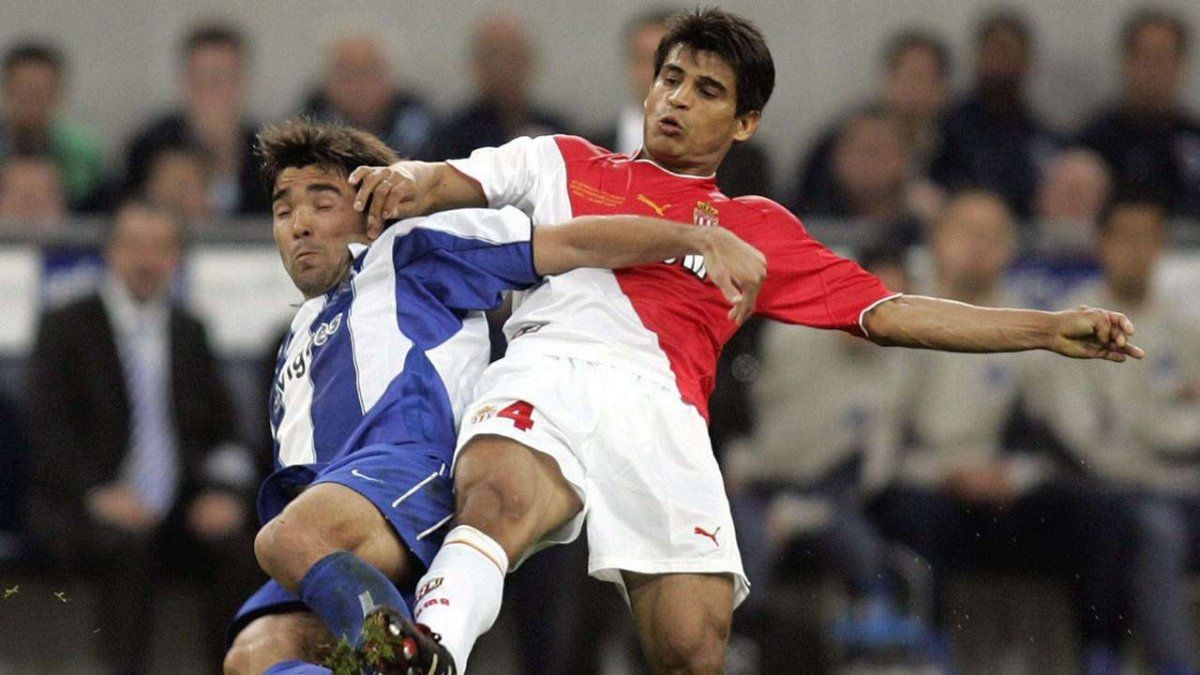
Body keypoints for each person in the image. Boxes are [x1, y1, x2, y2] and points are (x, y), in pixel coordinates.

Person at [349, 9, 1142, 674]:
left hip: (663, 414)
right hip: (551, 366)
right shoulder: (558, 159)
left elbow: (892, 312)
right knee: (499, 499)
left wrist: (1043, 329)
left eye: (706, 91)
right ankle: (426, 648)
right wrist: (403, 177)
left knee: (694, 644)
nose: (676, 101)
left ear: (747, 120)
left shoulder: (759, 228)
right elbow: (448, 180)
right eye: (669, 79)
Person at [220, 118, 764, 675]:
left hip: (408, 476)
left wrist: (694, 237)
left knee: (284, 537)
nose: (300, 225)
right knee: (254, 655)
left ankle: (395, 658)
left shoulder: (415, 250)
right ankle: (389, 650)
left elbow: (572, 240)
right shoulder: (292, 343)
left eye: (322, 203)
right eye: (284, 211)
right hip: (333, 532)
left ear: (371, 206)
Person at [868, 190, 1135, 673]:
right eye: (966, 232)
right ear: (936, 240)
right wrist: (943, 472)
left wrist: (1014, 474)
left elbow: (1057, 431)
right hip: (922, 484)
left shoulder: (1034, 322)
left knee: (1099, 513)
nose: (978, 245)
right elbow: (878, 432)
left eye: (993, 235)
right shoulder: (896, 311)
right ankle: (932, 653)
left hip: (1003, 490)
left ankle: (1101, 657)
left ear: (1012, 248)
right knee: (914, 514)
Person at [24, 200, 261, 674]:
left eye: (160, 247)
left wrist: (224, 493)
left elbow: (227, 435)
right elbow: (47, 432)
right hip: (83, 504)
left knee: (241, 542)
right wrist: (98, 494)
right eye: (134, 245)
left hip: (178, 504)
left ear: (177, 257)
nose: (146, 259)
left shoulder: (189, 331)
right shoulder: (66, 326)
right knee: (127, 546)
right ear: (111, 253)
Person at [1031, 196, 1200, 675]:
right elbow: (1084, 442)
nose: (1138, 250)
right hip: (1112, 489)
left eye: (1149, 238)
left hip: (1181, 485)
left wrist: (1155, 433)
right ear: (1101, 244)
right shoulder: (1071, 325)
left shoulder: (1187, 329)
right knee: (1155, 528)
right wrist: (1166, 433)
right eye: (1125, 237)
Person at [728, 248, 922, 654]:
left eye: (892, 307)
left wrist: (807, 512)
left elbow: (877, 466)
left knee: (859, 540)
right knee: (745, 541)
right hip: (752, 483)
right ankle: (737, 641)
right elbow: (749, 423)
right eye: (871, 300)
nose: (877, 318)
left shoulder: (896, 369)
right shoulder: (789, 338)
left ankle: (875, 636)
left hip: (828, 496)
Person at [593, 8, 774, 199]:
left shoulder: (747, 169)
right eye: (671, 80)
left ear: (745, 124)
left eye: (706, 92)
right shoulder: (580, 158)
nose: (677, 97)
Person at [792, 29, 950, 222]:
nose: (913, 88)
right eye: (905, 76)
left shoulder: (959, 142)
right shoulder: (843, 134)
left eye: (922, 77)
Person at [124, 22, 268, 216]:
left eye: (221, 80)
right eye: (201, 81)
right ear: (184, 84)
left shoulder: (268, 155)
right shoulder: (149, 148)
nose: (212, 93)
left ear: (243, 83)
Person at [930, 10, 1058, 219]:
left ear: (1027, 60)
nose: (1001, 62)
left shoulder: (1042, 136)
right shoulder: (946, 126)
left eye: (1008, 51)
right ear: (977, 56)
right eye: (994, 51)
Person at [1078, 8, 1200, 219]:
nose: (1153, 68)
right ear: (1126, 60)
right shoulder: (1094, 142)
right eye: (1145, 55)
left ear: (1182, 64)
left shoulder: (1194, 138)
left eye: (1163, 56)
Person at [431, 13, 571, 160]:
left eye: (514, 55)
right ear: (477, 64)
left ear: (530, 60)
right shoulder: (454, 134)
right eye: (494, 55)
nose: (504, 66)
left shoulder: (556, 131)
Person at [0, 40, 107, 212]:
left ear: (58, 94)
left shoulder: (83, 151)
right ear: (6, 91)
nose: (31, 102)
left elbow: (93, 202)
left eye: (40, 93)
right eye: (24, 91)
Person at [300, 31, 437, 160]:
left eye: (371, 72)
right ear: (326, 81)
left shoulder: (431, 134)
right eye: (347, 74)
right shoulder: (302, 137)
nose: (359, 85)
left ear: (391, 78)